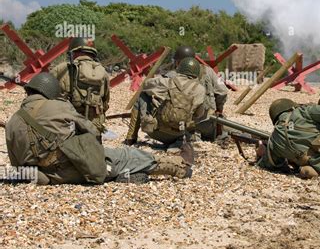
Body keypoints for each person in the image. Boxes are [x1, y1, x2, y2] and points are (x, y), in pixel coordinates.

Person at [5, 73, 193, 185]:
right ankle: (174, 167)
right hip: (74, 169)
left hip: (43, 176)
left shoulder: (13, 121)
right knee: (125, 155)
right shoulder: (57, 106)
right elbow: (92, 130)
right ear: (50, 92)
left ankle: (121, 175)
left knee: (112, 164)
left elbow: (17, 165)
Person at [125, 57, 207, 147]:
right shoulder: (200, 90)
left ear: (180, 68)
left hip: (156, 132)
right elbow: (199, 114)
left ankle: (131, 137)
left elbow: (145, 85)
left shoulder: (167, 82)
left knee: (142, 95)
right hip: (181, 134)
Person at [159, 45, 228, 140]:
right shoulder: (208, 70)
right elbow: (223, 92)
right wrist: (218, 110)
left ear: (179, 62)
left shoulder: (172, 75)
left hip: (183, 124)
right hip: (208, 122)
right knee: (229, 127)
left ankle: (194, 135)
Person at [50, 37, 110, 133]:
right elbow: (105, 102)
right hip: (93, 129)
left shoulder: (62, 69)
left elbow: (46, 93)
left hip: (67, 127)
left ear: (73, 52)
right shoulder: (103, 72)